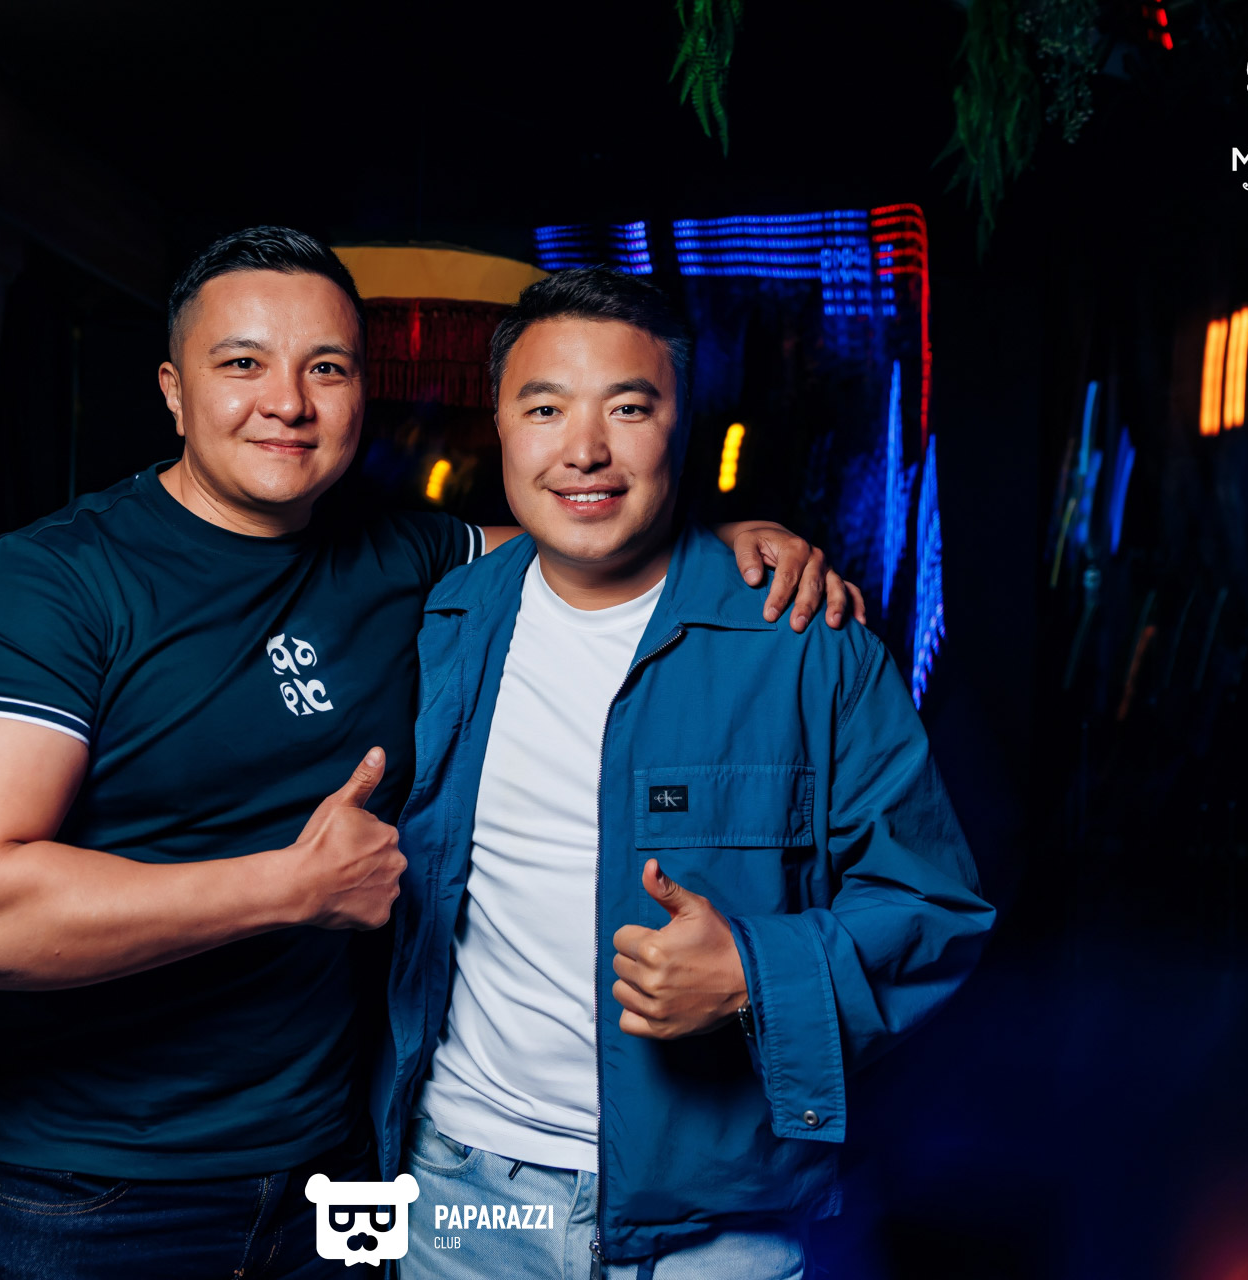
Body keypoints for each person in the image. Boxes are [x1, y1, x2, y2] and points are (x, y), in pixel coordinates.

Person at [0, 227, 857, 1280]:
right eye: (243, 362)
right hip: (95, 1193)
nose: (287, 402)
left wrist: (729, 542)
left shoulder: (400, 553)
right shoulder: (53, 582)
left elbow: (584, 538)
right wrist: (287, 888)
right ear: (173, 391)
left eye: (328, 369)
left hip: (342, 1174)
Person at [374, 268, 995, 1278]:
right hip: (461, 1193)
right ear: (501, 426)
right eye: (545, 408)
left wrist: (752, 970)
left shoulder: (807, 641)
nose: (584, 449)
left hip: (714, 1219)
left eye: (629, 408)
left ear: (682, 425)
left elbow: (935, 907)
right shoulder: (440, 624)